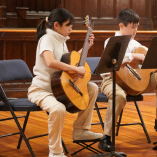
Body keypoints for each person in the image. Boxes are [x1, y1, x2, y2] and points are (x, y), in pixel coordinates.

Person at [98, 8, 157, 152]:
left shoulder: (136, 44)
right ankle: (106, 137)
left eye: (137, 27)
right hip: (111, 80)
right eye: (132, 27)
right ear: (121, 26)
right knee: (118, 95)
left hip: (135, 82)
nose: (135, 31)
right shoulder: (111, 41)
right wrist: (134, 57)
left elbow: (150, 60)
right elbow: (113, 61)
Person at [27, 8, 103, 157]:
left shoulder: (61, 39)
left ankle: (81, 130)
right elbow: (50, 61)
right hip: (41, 89)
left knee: (92, 87)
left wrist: (85, 48)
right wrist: (77, 69)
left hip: (60, 88)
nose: (71, 29)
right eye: (69, 25)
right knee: (58, 109)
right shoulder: (47, 39)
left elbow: (67, 61)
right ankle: (55, 152)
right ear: (56, 25)